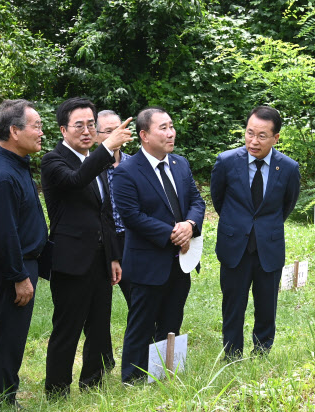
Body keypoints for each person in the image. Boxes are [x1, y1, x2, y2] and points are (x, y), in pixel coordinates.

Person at [40, 98, 133, 397]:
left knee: (99, 323)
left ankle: (92, 382)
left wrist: (114, 257)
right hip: (70, 258)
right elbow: (76, 180)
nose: (86, 130)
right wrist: (107, 148)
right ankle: (57, 389)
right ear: (63, 130)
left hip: (99, 258)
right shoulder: (54, 161)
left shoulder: (96, 161)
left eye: (91, 124)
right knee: (67, 327)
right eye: (78, 125)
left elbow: (104, 212)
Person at [111, 107, 205, 384]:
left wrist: (189, 225)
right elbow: (132, 216)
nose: (170, 133)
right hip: (147, 262)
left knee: (172, 318)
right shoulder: (127, 171)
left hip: (182, 259)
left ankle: (162, 372)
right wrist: (171, 233)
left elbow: (197, 202)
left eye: (171, 126)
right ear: (144, 135)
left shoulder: (180, 164)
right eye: (162, 128)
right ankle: (132, 378)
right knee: (141, 322)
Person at [211, 106, 300, 358]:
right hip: (234, 245)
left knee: (266, 305)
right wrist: (237, 224)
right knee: (233, 304)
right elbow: (219, 200)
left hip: (268, 247)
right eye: (250, 133)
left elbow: (287, 205)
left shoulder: (289, 168)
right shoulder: (226, 162)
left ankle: (262, 351)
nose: (254, 141)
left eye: (262, 135)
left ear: (276, 138)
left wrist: (265, 227)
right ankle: (231, 353)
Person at [0, 99, 49, 407]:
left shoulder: (17, 164)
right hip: (12, 267)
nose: (41, 133)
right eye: (36, 126)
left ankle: (5, 392)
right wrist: (19, 276)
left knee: (14, 333)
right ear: (14, 131)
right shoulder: (2, 174)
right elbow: (3, 233)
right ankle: (1, 398)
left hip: (23, 263)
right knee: (9, 334)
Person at [95, 109, 133, 308]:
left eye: (118, 129)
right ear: (95, 136)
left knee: (138, 299)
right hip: (105, 241)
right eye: (108, 131)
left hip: (133, 239)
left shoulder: (135, 164)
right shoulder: (90, 169)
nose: (114, 135)